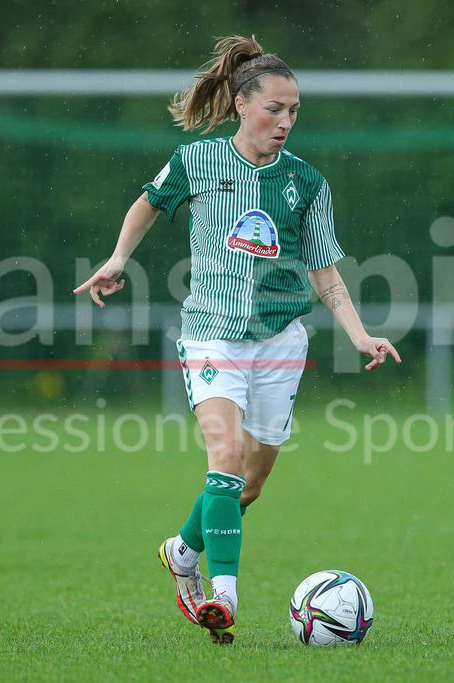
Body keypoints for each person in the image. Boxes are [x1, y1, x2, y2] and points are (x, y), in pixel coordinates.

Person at [74, 35, 400, 645]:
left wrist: (360, 335)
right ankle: (221, 595)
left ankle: (182, 550)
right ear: (242, 103)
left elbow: (324, 269)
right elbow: (148, 203)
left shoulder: (307, 182)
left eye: (294, 109)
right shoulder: (198, 161)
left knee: (248, 484)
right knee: (222, 462)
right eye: (275, 108)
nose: (286, 120)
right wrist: (118, 257)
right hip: (211, 335)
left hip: (280, 342)